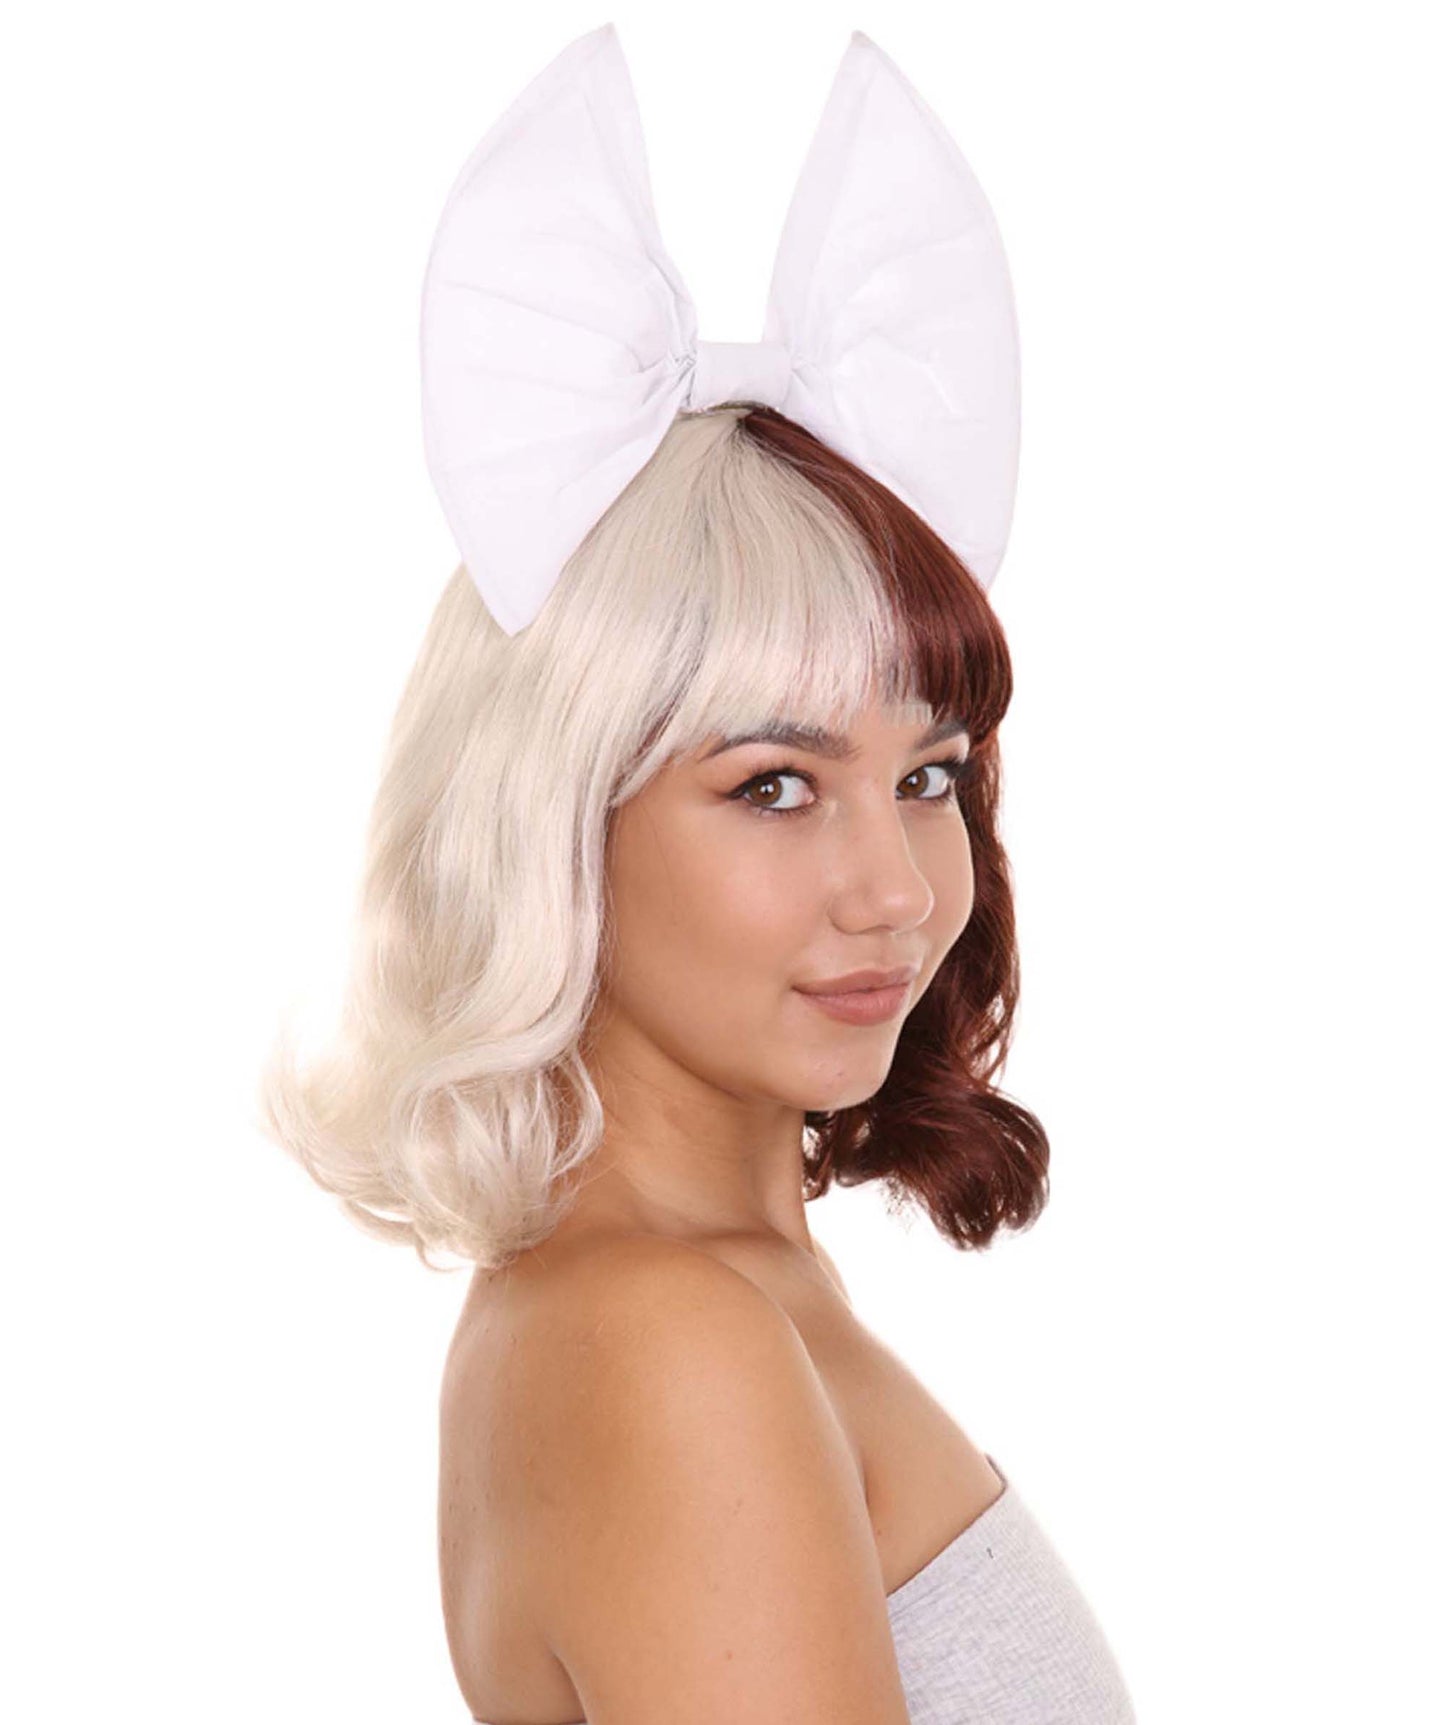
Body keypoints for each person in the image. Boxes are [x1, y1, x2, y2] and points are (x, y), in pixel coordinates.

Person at [257, 25, 1138, 1724]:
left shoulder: (701, 1294)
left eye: (927, 775)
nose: (895, 888)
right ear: (552, 814)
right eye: (774, 785)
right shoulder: (668, 1339)